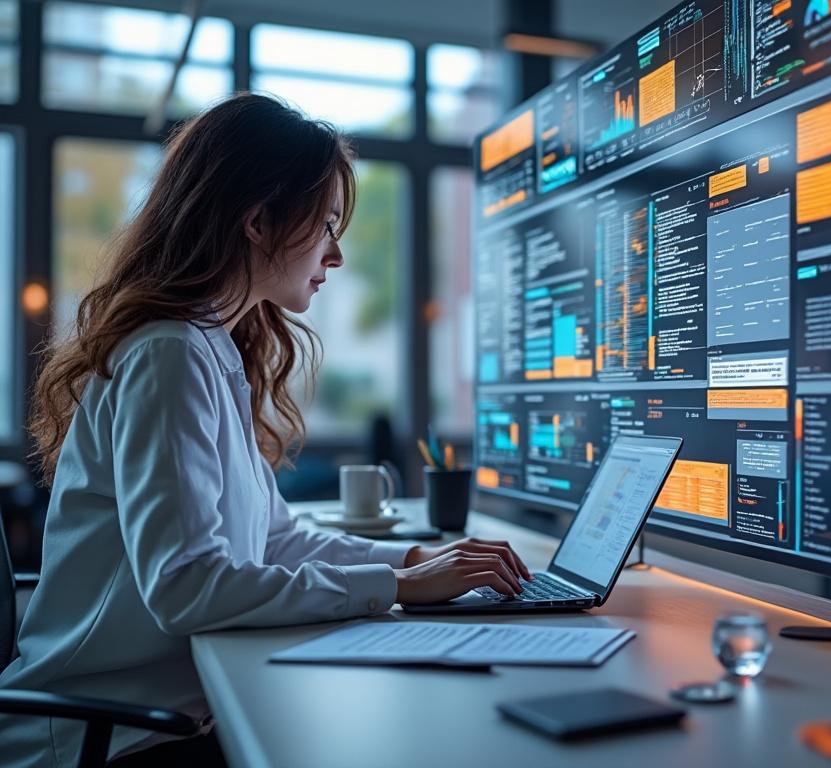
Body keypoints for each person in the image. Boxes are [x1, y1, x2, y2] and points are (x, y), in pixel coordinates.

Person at [0, 93, 530, 767]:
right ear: (258, 221)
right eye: (327, 223)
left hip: (160, 717)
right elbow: (188, 585)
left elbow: (275, 536)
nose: (335, 255)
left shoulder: (207, 349)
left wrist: (411, 562)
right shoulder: (170, 354)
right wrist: (394, 588)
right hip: (107, 737)